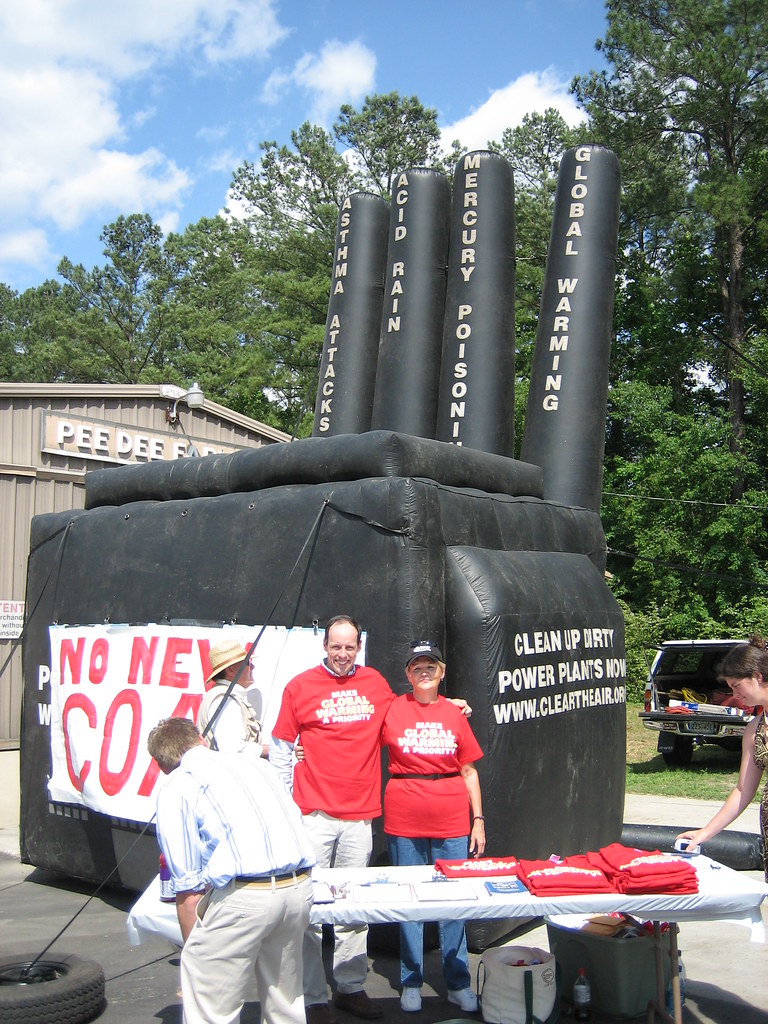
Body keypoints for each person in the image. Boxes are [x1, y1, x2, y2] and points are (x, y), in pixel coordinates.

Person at [270, 615, 471, 1024]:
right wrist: (286, 800)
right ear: (324, 646)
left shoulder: (375, 685)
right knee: (307, 910)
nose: (342, 653)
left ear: (358, 647)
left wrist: (452, 705)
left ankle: (349, 987)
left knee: (352, 909)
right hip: (314, 815)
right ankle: (311, 996)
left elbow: (415, 709)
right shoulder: (300, 687)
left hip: (360, 818)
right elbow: (280, 746)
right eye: (335, 646)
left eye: (349, 646)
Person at [147, 716, 316, 1024]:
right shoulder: (258, 766)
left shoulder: (178, 783)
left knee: (212, 1011)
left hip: (246, 895)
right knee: (286, 1004)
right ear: (200, 739)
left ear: (162, 764)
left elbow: (187, 885)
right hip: (298, 887)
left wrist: (194, 953)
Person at [382, 640, 485, 1014]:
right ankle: (410, 979)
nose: (423, 672)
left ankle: (457, 981)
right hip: (404, 814)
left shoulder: (455, 714)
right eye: (416, 667)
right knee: (409, 897)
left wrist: (478, 819)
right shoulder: (392, 709)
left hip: (451, 815)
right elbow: (352, 734)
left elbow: (469, 770)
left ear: (441, 672)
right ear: (407, 674)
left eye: (431, 666)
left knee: (453, 902)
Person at [677, 635, 768, 880]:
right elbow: (742, 790)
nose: (734, 694)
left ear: (757, 677)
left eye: (737, 685)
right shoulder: (754, 730)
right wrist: (704, 833)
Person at [197, 638, 268, 757]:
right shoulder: (224, 700)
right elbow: (232, 748)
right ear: (230, 670)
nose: (253, 667)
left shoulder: (223, 696)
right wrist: (272, 751)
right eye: (247, 663)